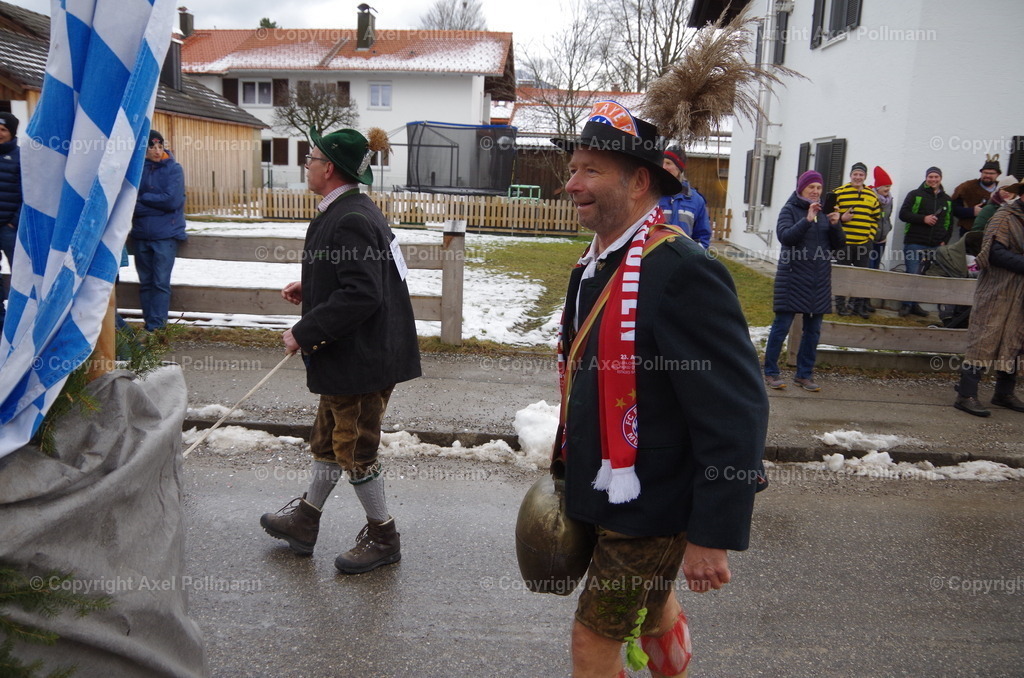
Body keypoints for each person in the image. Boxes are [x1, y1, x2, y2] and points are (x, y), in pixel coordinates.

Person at [552, 101, 768, 678]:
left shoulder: (682, 270)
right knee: (651, 612)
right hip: (604, 490)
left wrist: (712, 533)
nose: (572, 184)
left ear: (639, 182)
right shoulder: (593, 265)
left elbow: (735, 410)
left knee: (592, 638)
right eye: (573, 169)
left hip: (653, 502)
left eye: (591, 170)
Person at [260, 126, 421, 575]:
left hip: (361, 361)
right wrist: (312, 286)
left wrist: (305, 330)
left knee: (355, 449)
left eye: (310, 158)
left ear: (329, 168)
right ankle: (305, 520)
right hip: (351, 356)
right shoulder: (351, 209)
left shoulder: (351, 217)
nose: (306, 165)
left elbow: (363, 294)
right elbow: (365, 278)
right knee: (329, 440)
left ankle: (383, 536)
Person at [763, 170, 844, 392]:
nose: (816, 191)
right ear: (801, 188)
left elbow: (838, 246)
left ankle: (804, 375)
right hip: (793, 277)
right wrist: (807, 219)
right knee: (781, 327)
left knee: (813, 331)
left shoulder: (825, 213)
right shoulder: (789, 209)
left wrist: (836, 225)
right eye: (811, 187)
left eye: (819, 187)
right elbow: (785, 237)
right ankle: (770, 372)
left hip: (818, 280)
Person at [952, 180, 1024, 417]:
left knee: (1015, 340)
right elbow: (993, 252)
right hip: (997, 289)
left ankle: (1004, 393)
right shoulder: (1004, 217)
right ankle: (966, 394)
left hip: (1021, 294)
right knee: (984, 337)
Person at [131, 130, 186, 331]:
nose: (156, 151)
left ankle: (157, 328)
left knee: (160, 282)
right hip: (141, 235)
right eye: (152, 147)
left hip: (165, 235)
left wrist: (144, 198)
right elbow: (130, 203)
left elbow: (172, 201)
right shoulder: (137, 170)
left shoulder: (174, 169)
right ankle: (149, 326)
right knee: (146, 283)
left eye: (160, 146)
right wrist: (156, 205)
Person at [898, 167, 954, 317]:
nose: (933, 179)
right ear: (926, 178)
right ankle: (906, 305)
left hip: (935, 245)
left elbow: (949, 223)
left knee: (923, 276)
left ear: (940, 178)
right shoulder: (915, 194)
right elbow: (903, 214)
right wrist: (923, 219)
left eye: (936, 177)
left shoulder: (947, 200)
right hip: (914, 242)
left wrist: (944, 241)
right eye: (930, 177)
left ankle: (915, 305)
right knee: (912, 274)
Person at [832, 162, 881, 318]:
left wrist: (870, 238)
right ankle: (840, 306)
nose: (858, 177)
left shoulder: (872, 195)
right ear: (850, 175)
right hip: (844, 243)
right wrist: (842, 218)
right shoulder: (839, 193)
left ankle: (856, 307)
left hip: (863, 244)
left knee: (861, 277)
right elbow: (829, 215)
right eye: (855, 174)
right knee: (843, 275)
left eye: (861, 174)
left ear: (865, 177)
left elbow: (876, 218)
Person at [658, 146, 712, 249]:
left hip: (684, 256)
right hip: (656, 255)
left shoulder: (696, 200)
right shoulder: (652, 196)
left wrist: (694, 255)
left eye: (668, 163)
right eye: (662, 163)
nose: (664, 167)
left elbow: (702, 237)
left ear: (679, 168)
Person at [0, 111, 21, 328]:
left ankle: (20, 320)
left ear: (12, 133)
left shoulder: (20, 157)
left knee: (20, 274)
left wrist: (14, 222)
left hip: (10, 229)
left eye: (3, 129)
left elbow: (28, 194)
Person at [951, 156, 1001, 238]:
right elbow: (953, 208)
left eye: (991, 173)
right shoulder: (967, 187)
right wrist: (971, 211)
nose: (987, 175)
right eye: (985, 173)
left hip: (994, 234)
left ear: (998, 174)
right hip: (969, 232)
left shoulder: (1002, 190)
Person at [869, 166, 895, 271]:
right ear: (878, 187)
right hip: (870, 239)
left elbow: (887, 217)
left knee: (876, 267)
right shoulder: (870, 197)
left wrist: (888, 228)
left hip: (882, 240)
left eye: (889, 186)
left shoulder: (889, 200)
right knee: (869, 267)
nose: (888, 189)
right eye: (885, 186)